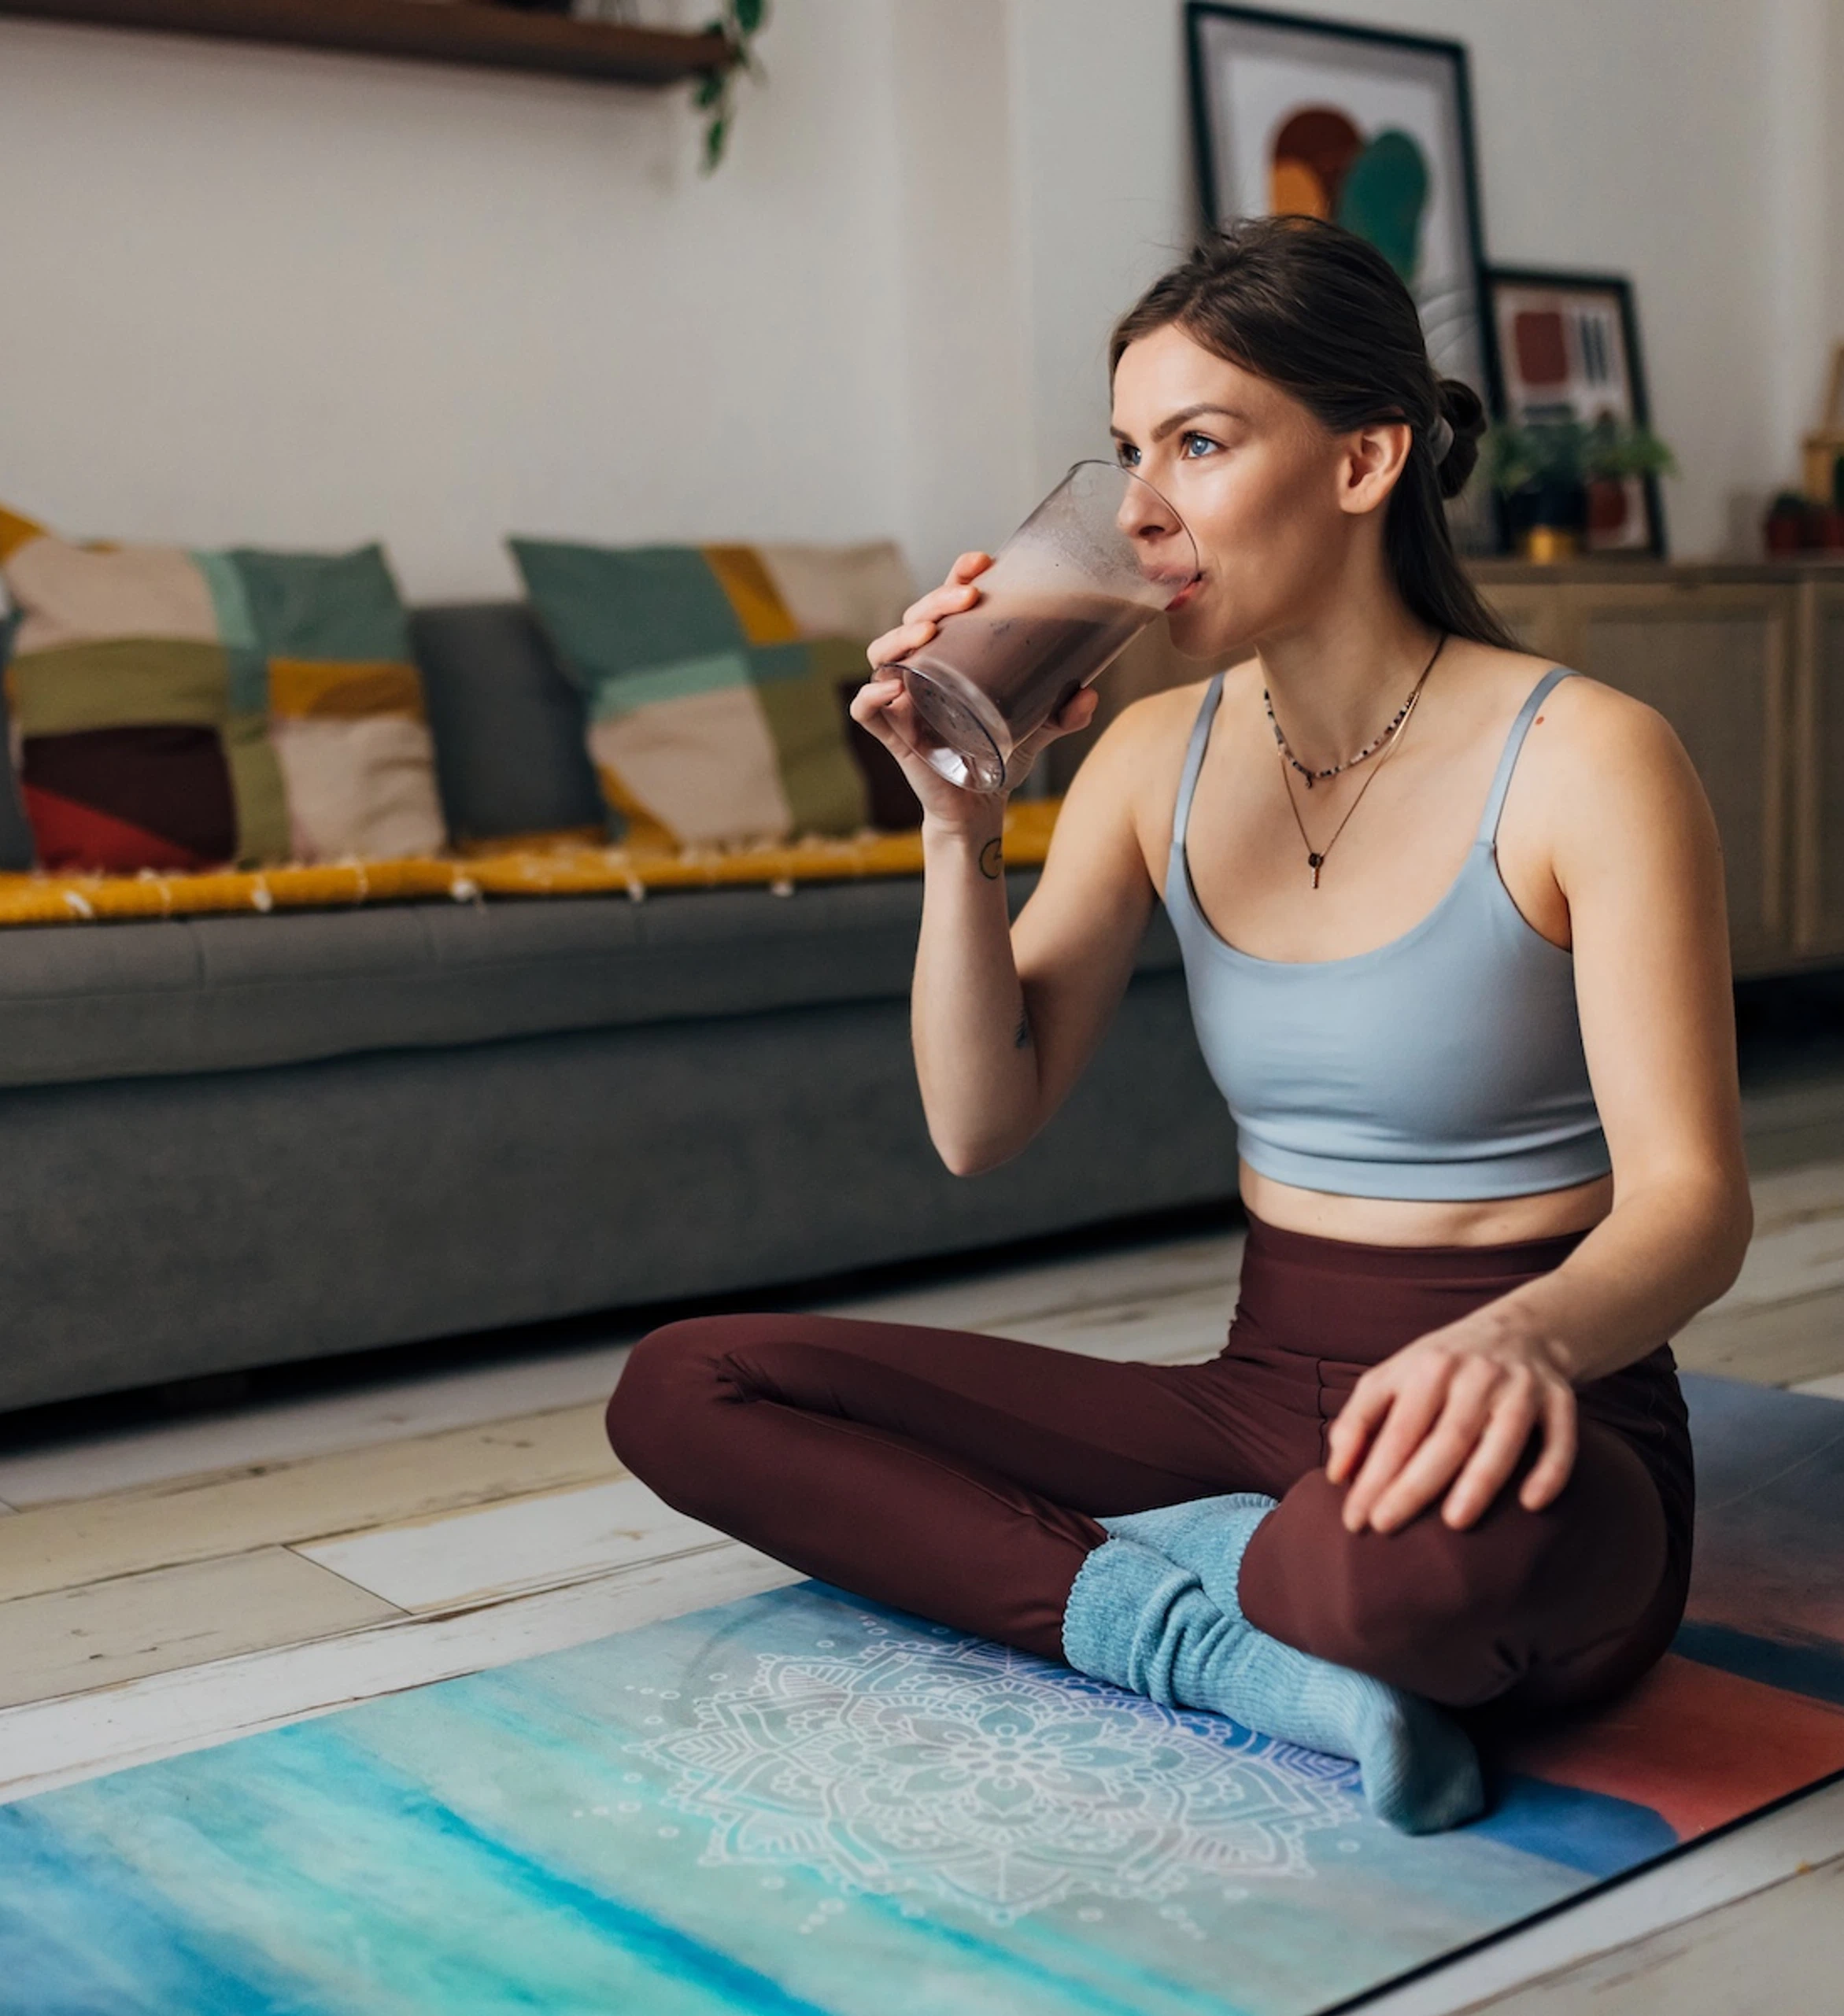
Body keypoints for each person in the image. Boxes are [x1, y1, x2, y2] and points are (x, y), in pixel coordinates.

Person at [607, 216, 1750, 1833]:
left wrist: (1522, 1337)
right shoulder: (1150, 757)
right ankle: (1209, 1639)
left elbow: (1698, 1206)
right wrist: (959, 823)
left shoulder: (1589, 760)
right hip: (1256, 1398)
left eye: (1201, 446)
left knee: (1382, 1570)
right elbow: (976, 1123)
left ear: (1365, 461)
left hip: (1537, 1403)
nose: (1142, 510)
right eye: (1129, 450)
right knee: (685, 1387)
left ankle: (1190, 1567)